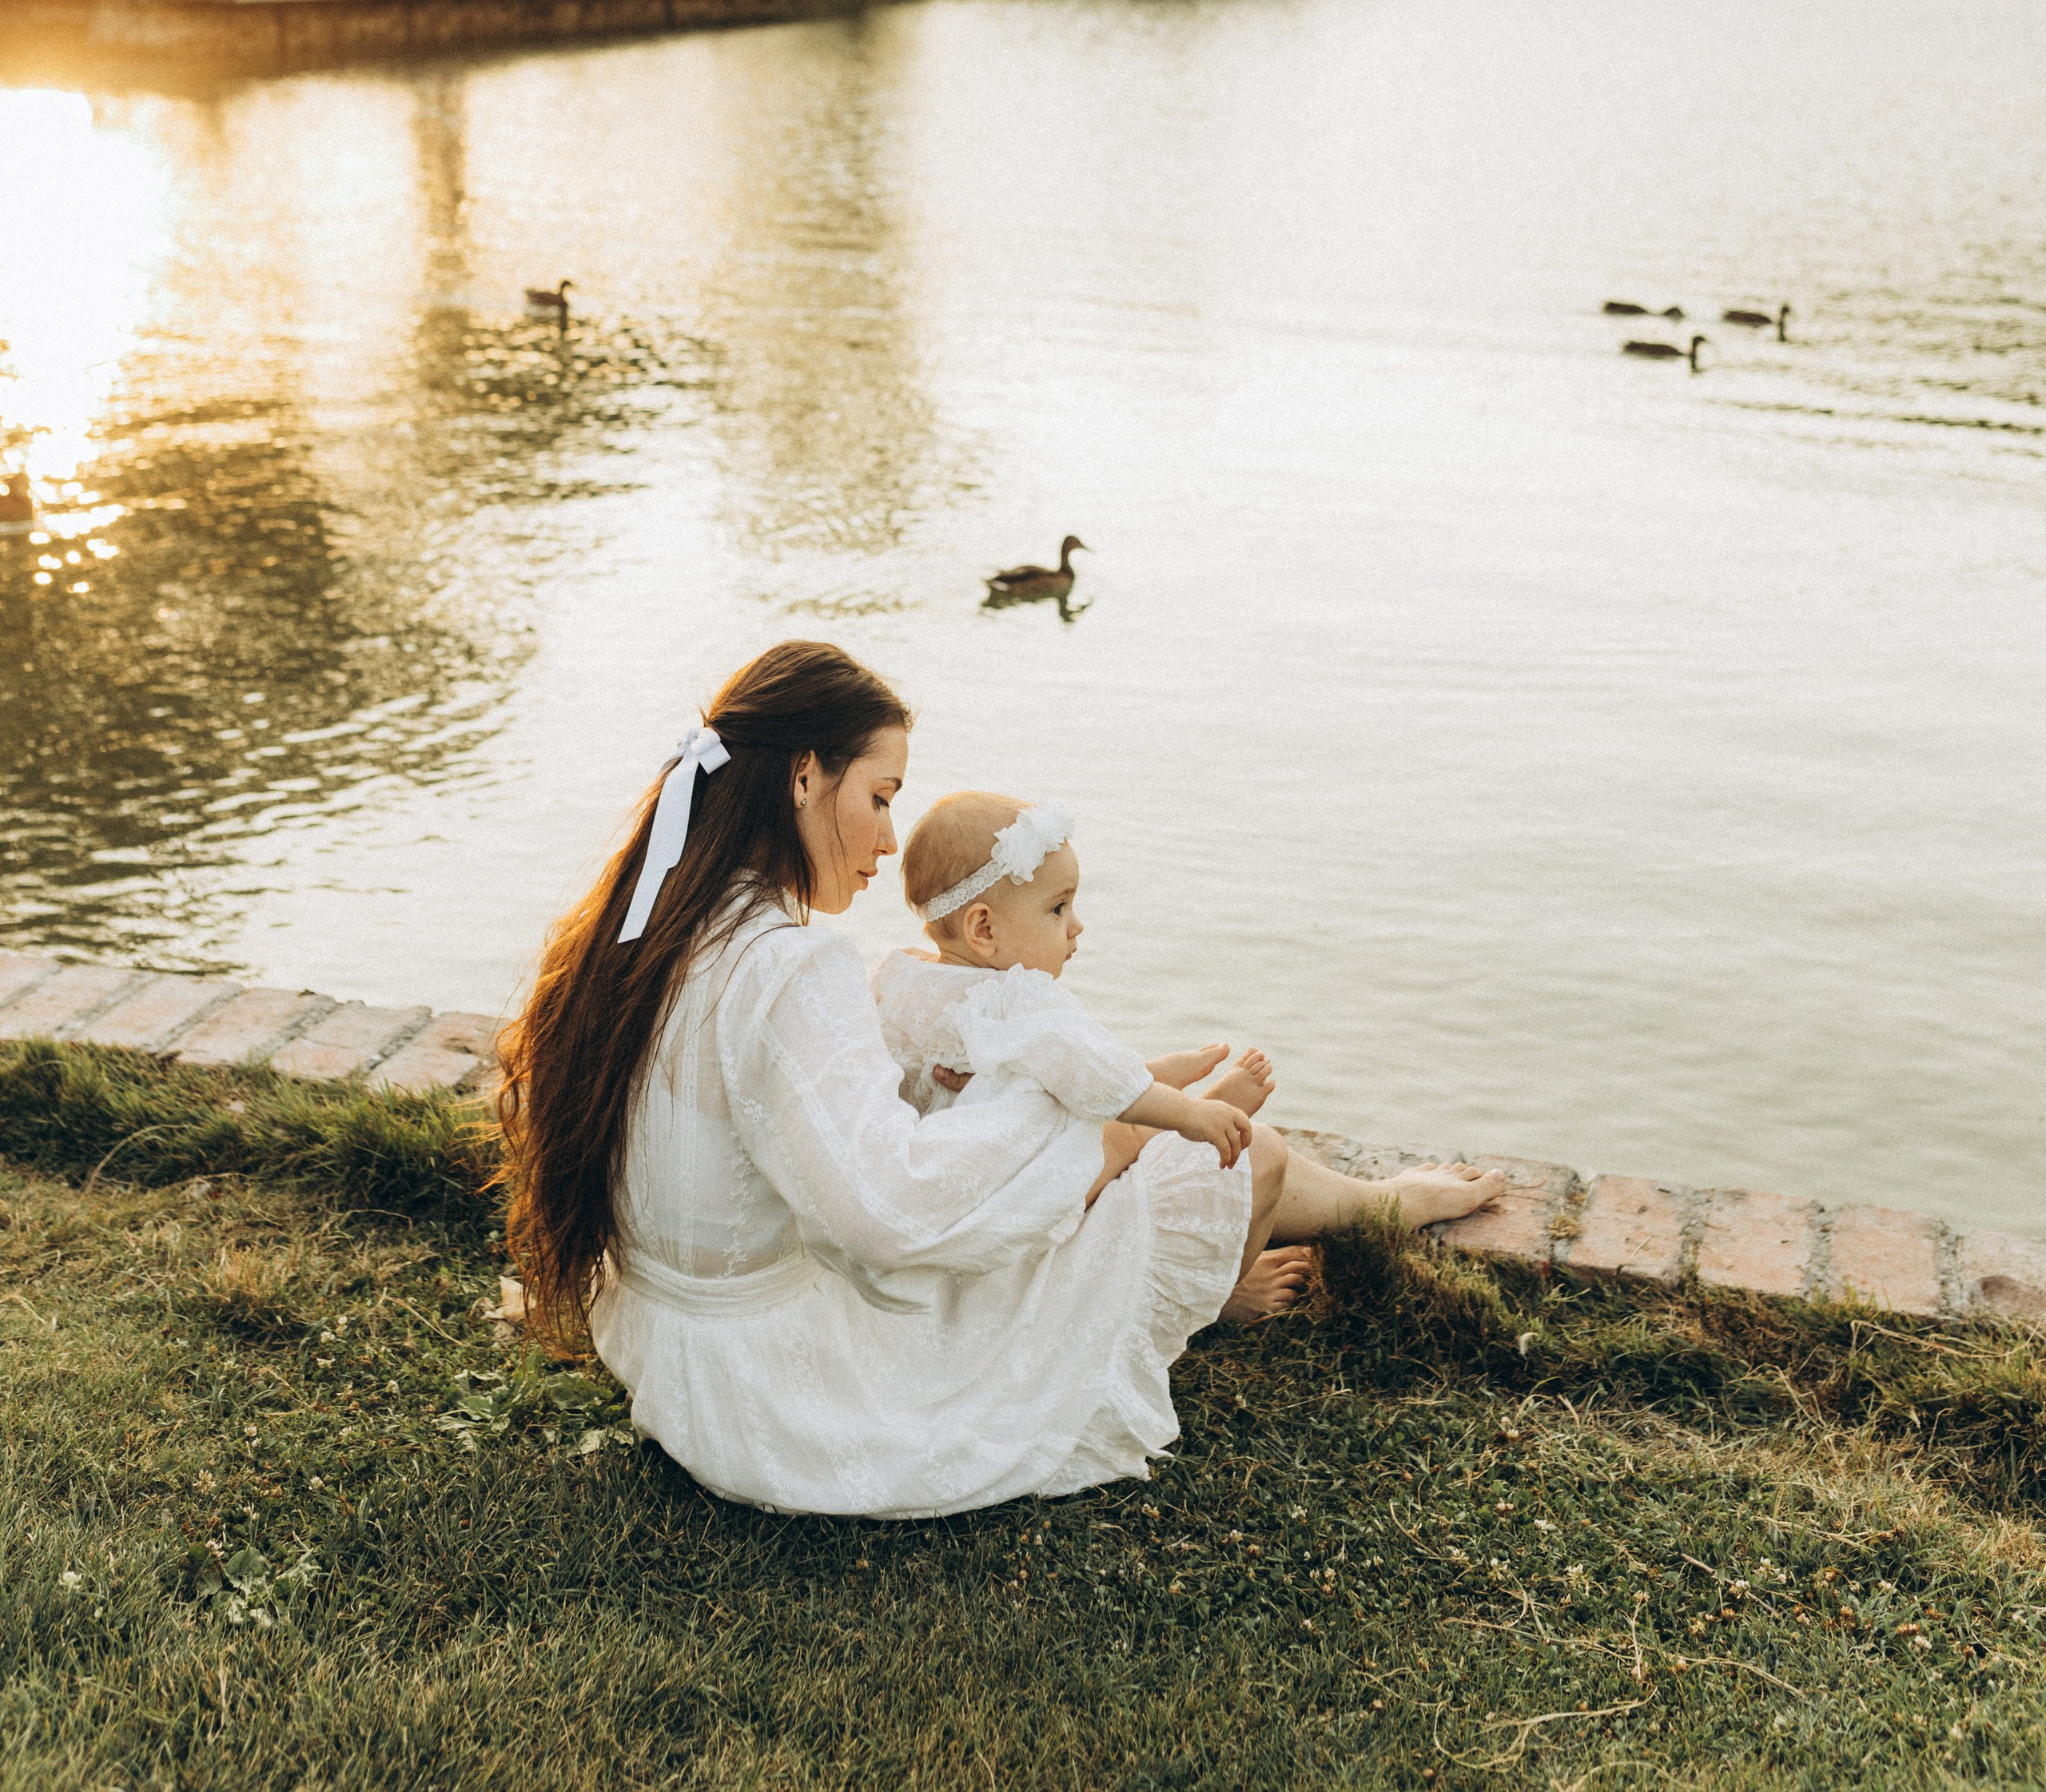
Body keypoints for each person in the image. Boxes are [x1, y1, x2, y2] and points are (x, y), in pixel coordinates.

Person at [500, 643, 1504, 1519]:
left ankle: (1350, 1196)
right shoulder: (789, 966)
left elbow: (786, 1141)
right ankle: (1363, 1201)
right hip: (796, 1405)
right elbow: (896, 1214)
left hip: (680, 1363)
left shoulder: (658, 925)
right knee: (1240, 1159)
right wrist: (1092, 1128)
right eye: (880, 797)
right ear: (805, 777)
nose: (889, 841)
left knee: (1134, 1121)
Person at [876, 790, 1501, 1316]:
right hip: (1019, 1205)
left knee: (1120, 1117)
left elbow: (1059, 1072)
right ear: (984, 928)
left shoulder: (900, 980)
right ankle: (1219, 1260)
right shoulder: (1020, 1000)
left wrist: (1146, 1079)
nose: (1077, 926)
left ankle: (1364, 1195)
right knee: (1232, 1143)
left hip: (970, 1183)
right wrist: (1188, 1113)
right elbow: (1073, 1066)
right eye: (1058, 908)